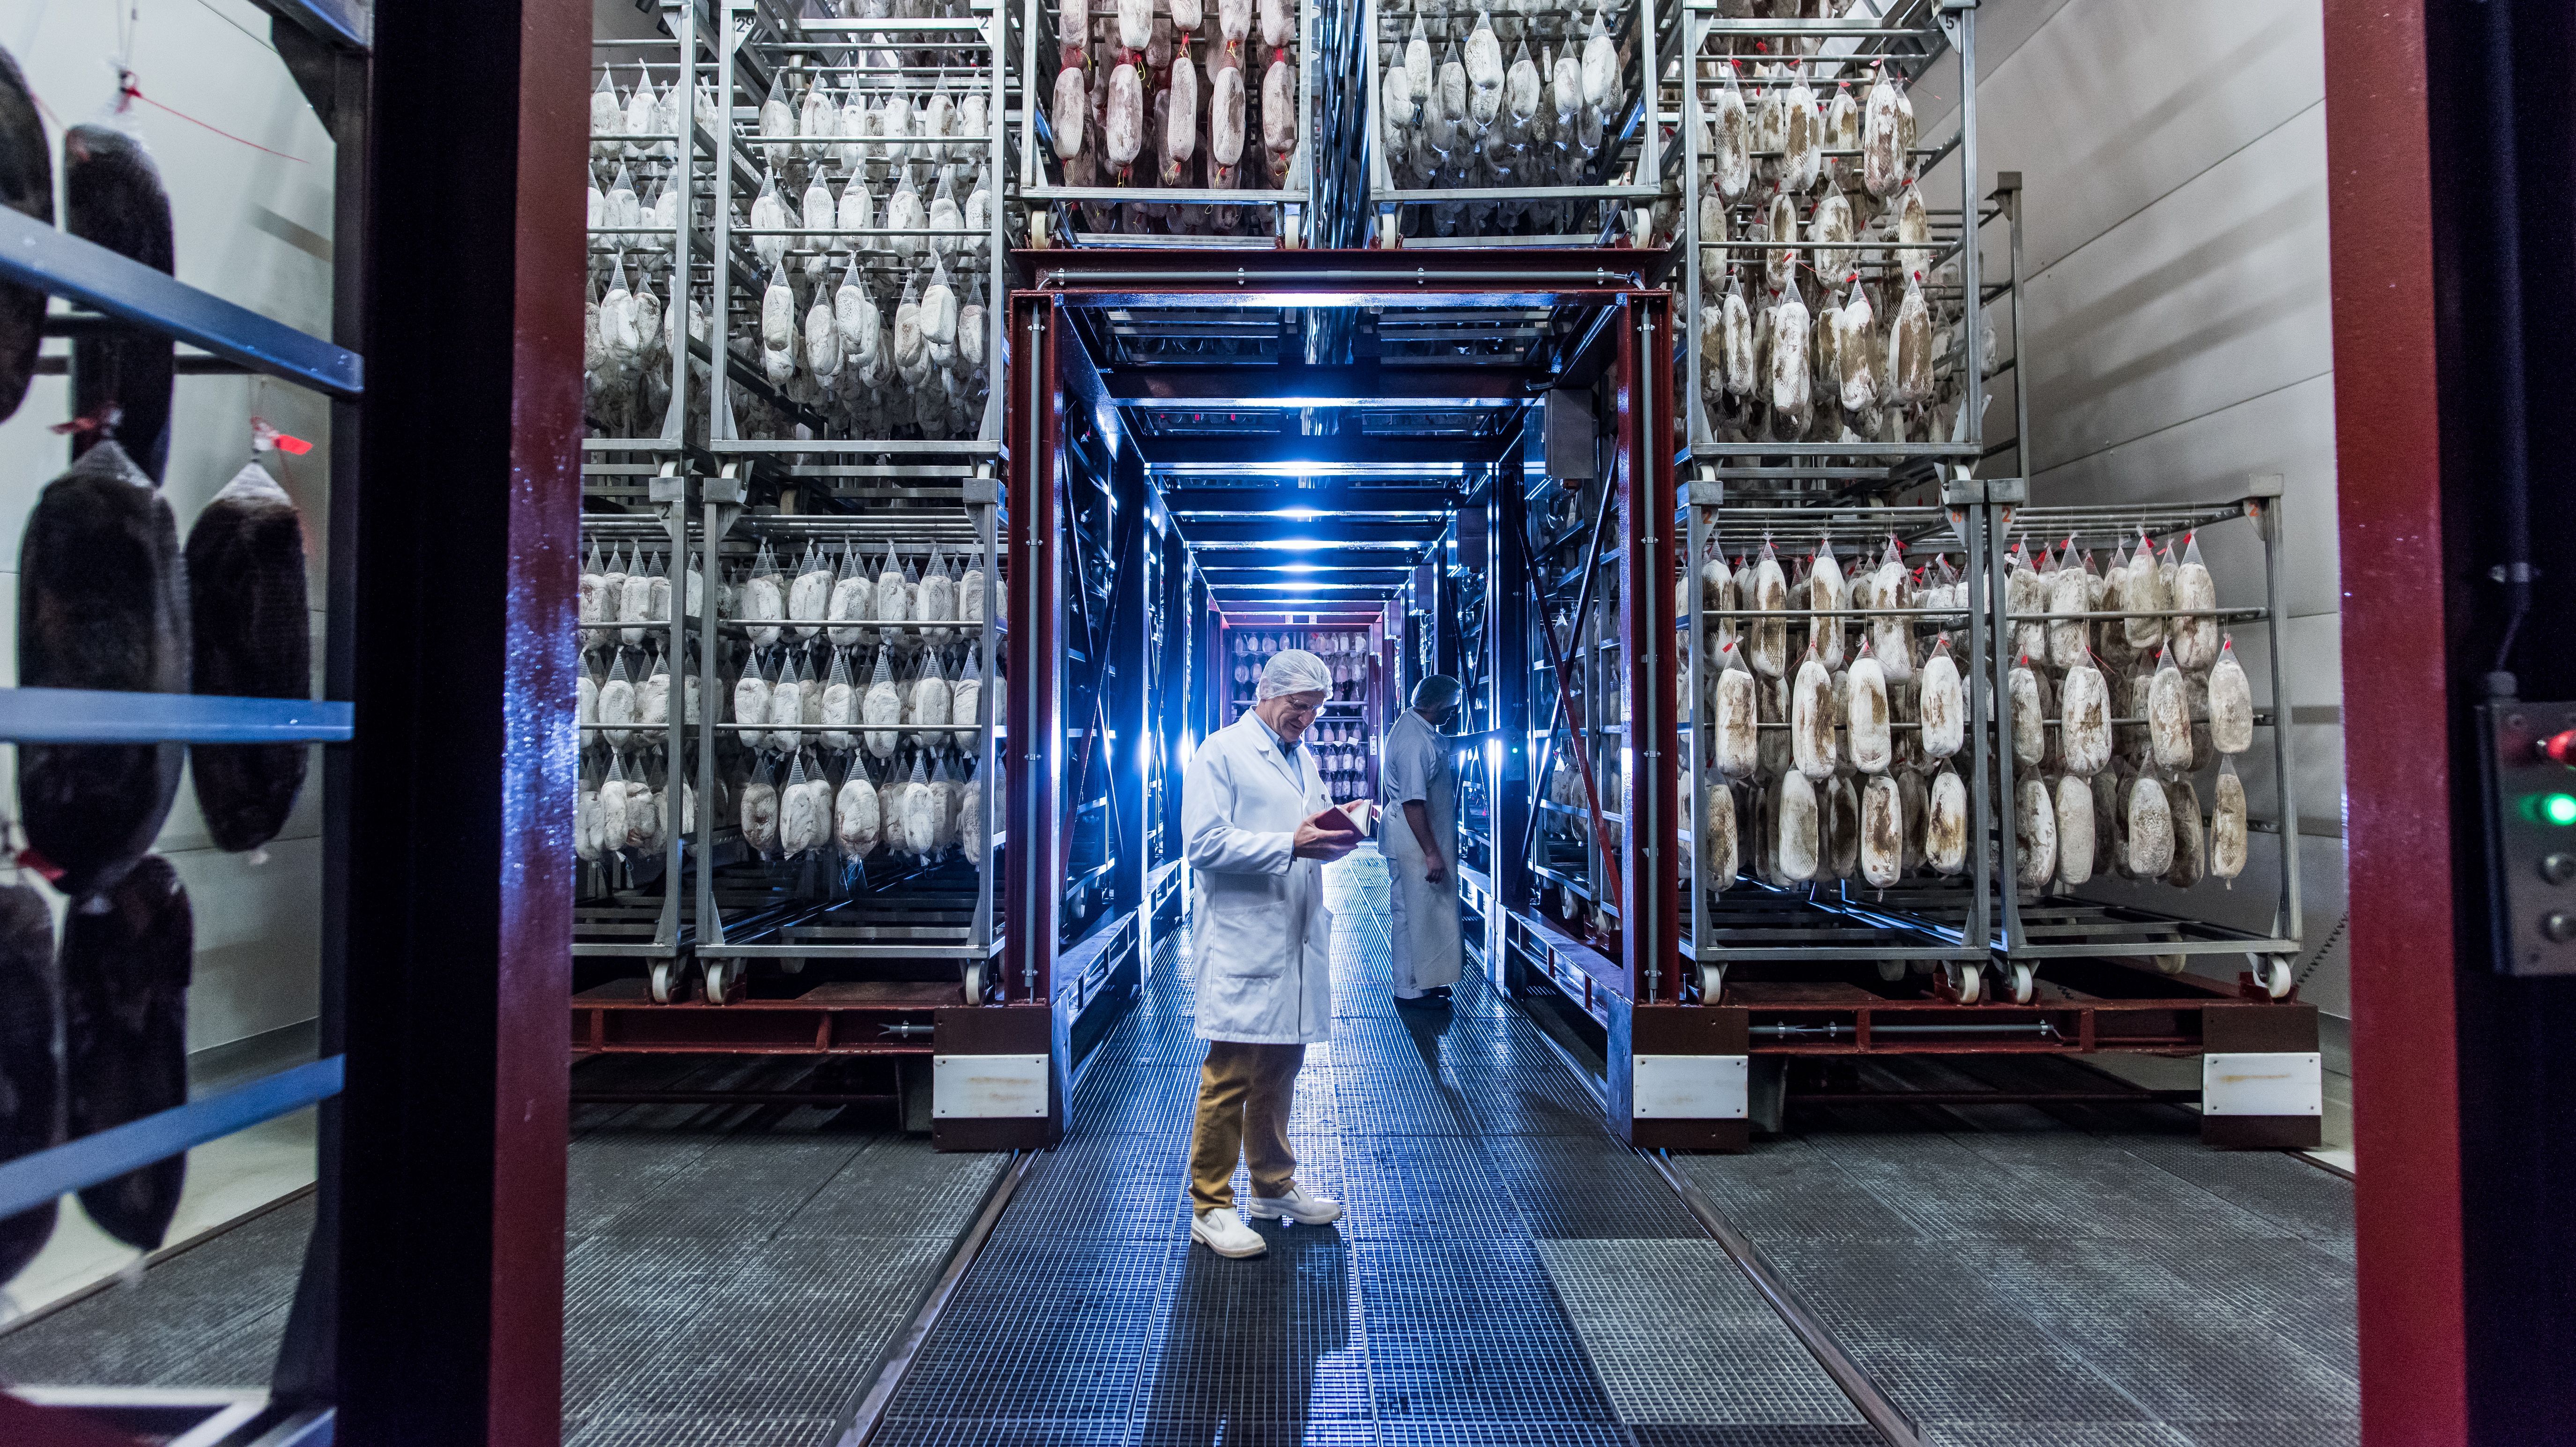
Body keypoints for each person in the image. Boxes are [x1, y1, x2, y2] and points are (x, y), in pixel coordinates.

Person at [1178, 648, 1362, 1258]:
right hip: (1243, 937)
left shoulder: (1300, 755)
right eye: (1298, 706)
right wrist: (1290, 844)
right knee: (1231, 1072)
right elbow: (1204, 842)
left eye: (1314, 710)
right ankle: (1211, 1205)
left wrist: (1339, 831)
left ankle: (1272, 1185)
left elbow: (1308, 824)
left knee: (1282, 1068)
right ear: (1267, 693)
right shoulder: (1221, 753)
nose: (1306, 719)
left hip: (1295, 933)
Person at [1381, 675, 1465, 1004]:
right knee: (1409, 913)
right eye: (1453, 707)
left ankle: (1424, 981)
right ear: (1442, 707)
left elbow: (1447, 746)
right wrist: (1432, 852)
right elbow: (1413, 802)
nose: (1454, 713)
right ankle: (1411, 989)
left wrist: (1491, 736)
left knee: (1423, 911)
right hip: (1413, 840)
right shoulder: (1414, 742)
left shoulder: (1416, 726)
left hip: (1416, 837)